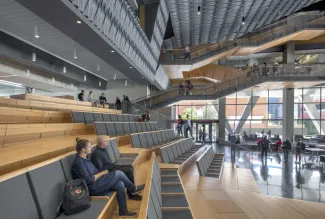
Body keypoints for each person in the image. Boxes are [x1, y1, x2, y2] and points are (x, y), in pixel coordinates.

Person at [71, 139, 144, 217]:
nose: (91, 148)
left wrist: (104, 174)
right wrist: (103, 173)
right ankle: (133, 189)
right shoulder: (79, 163)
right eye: (89, 147)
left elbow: (95, 173)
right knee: (118, 173)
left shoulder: (85, 159)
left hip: (98, 183)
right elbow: (90, 180)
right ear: (83, 150)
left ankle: (123, 211)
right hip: (92, 188)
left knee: (120, 184)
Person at [91, 136, 141, 201]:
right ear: (102, 143)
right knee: (128, 170)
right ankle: (132, 193)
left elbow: (108, 163)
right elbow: (99, 169)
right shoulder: (97, 154)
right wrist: (108, 170)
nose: (108, 142)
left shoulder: (103, 149)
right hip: (108, 171)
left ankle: (132, 192)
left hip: (112, 167)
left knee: (130, 167)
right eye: (106, 141)